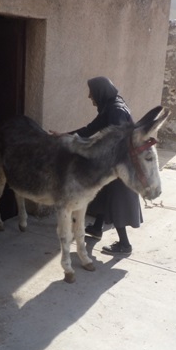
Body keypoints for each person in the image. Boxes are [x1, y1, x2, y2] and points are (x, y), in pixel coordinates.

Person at [68, 76, 143, 255]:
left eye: (91, 93)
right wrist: (64, 136)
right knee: (104, 193)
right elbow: (89, 129)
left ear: (100, 92)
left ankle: (125, 245)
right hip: (117, 161)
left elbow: (115, 141)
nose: (89, 96)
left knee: (117, 201)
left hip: (121, 164)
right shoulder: (111, 106)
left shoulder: (116, 110)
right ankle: (96, 228)